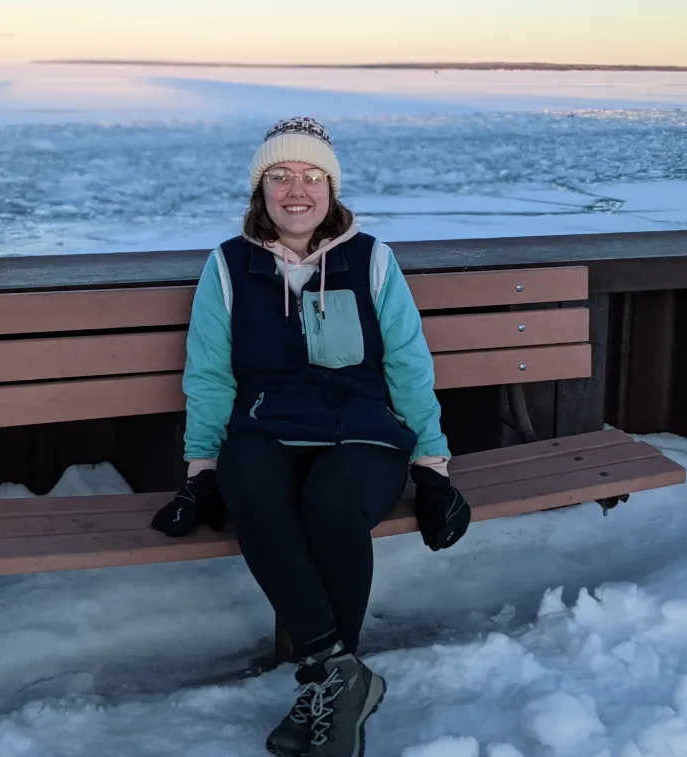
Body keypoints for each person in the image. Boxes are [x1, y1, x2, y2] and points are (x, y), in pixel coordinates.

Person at [152, 117, 471, 757]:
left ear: (330, 188)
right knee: (250, 487)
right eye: (280, 176)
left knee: (330, 505)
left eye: (312, 176)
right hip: (266, 426)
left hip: (364, 429)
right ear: (260, 189)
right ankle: (340, 675)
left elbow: (408, 362)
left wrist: (432, 466)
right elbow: (210, 373)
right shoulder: (228, 266)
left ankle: (327, 682)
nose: (296, 190)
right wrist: (200, 469)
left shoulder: (372, 260)